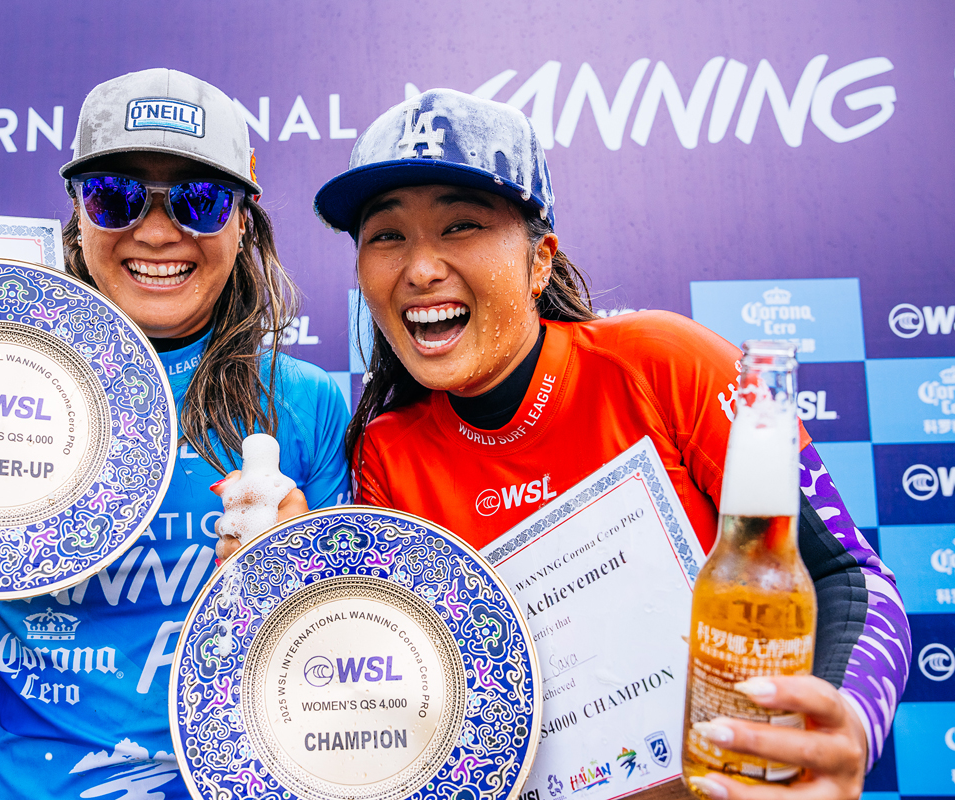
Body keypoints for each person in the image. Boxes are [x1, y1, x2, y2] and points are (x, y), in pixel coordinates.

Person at [313, 89, 908, 800]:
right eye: (386, 236)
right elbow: (410, 709)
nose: (420, 268)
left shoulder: (667, 362)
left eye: (461, 225)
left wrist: (848, 722)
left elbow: (847, 576)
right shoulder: (384, 454)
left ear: (540, 261)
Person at [0, 69, 349, 799]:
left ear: (242, 222)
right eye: (114, 196)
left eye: (200, 200)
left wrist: (294, 578)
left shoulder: (306, 403)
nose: (156, 231)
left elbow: (339, 678)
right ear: (78, 216)